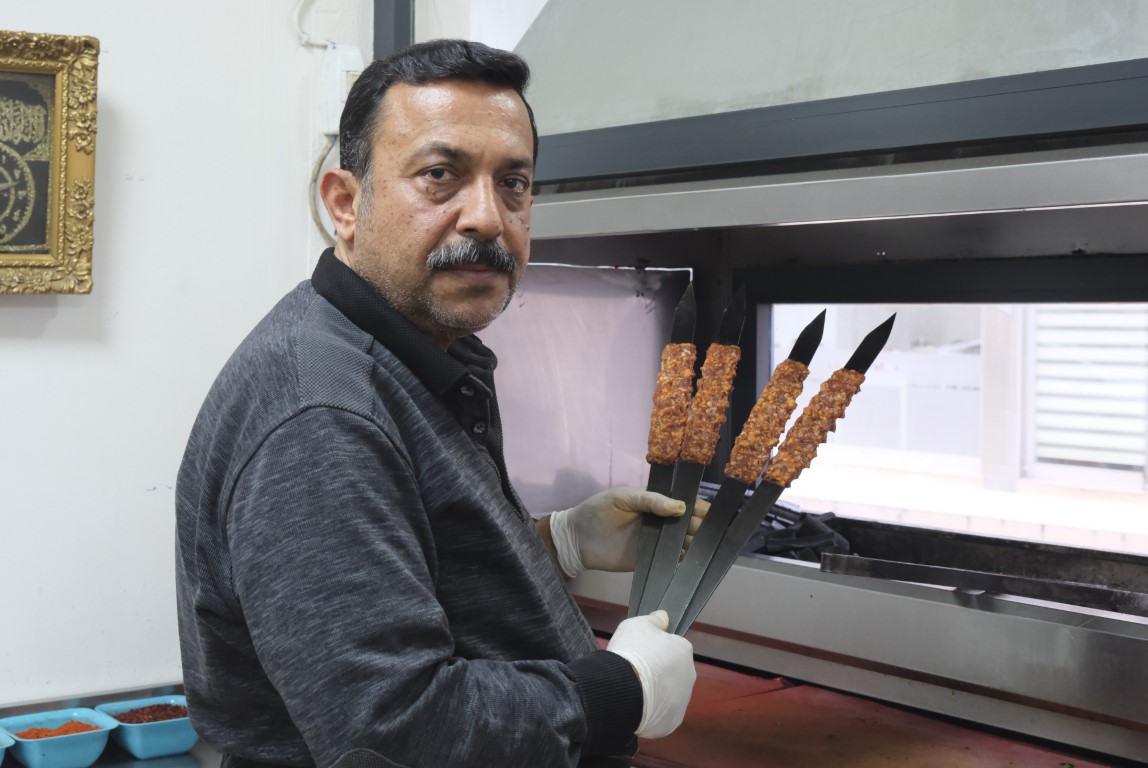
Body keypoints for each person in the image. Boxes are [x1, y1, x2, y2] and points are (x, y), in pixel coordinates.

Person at [175, 39, 700, 768]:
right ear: (345, 204)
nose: (486, 217)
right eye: (439, 175)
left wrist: (558, 543)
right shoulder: (322, 416)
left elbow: (404, 571)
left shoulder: (411, 352)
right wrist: (620, 690)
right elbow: (389, 729)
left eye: (512, 183)